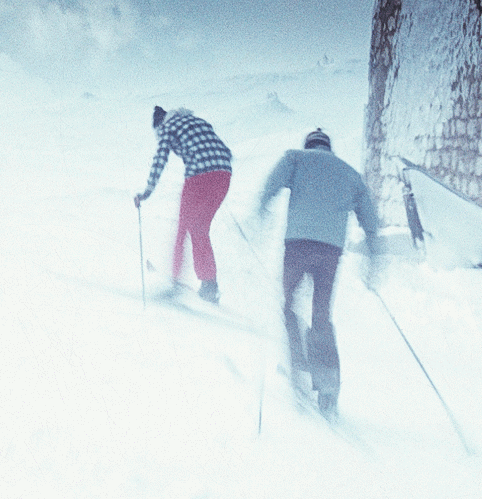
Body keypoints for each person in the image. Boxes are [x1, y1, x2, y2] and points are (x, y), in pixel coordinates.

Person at [258, 128, 382, 418]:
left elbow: (273, 183)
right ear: (329, 148)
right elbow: (371, 220)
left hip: (298, 245)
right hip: (330, 250)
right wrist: (373, 256)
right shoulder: (350, 174)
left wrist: (262, 207)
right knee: (321, 313)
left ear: (309, 145)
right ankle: (327, 382)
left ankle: (299, 363)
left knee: (289, 305)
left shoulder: (296, 158)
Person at [134, 106, 232, 304]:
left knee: (183, 228)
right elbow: (226, 152)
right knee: (200, 229)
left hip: (198, 176)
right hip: (224, 175)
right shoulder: (200, 122)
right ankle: (209, 286)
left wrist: (147, 191)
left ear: (159, 125)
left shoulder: (167, 127)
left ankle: (176, 281)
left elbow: (160, 159)